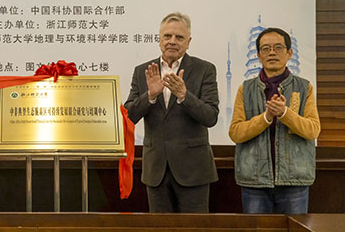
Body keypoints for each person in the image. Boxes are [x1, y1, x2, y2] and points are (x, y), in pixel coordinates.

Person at [125, 12, 219, 213]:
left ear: (188, 42)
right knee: (160, 231)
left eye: (179, 37)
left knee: (194, 230)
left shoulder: (205, 69)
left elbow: (211, 116)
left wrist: (185, 96)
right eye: (167, 36)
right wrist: (150, 95)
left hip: (194, 170)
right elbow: (129, 116)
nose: (172, 41)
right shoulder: (143, 71)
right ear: (159, 40)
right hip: (156, 171)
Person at [229, 28, 320, 214]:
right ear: (258, 55)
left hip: (294, 181)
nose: (272, 53)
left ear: (289, 53)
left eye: (278, 47)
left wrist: (285, 113)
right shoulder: (245, 89)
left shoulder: (305, 87)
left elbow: (312, 130)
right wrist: (266, 117)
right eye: (266, 48)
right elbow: (236, 133)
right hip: (255, 181)